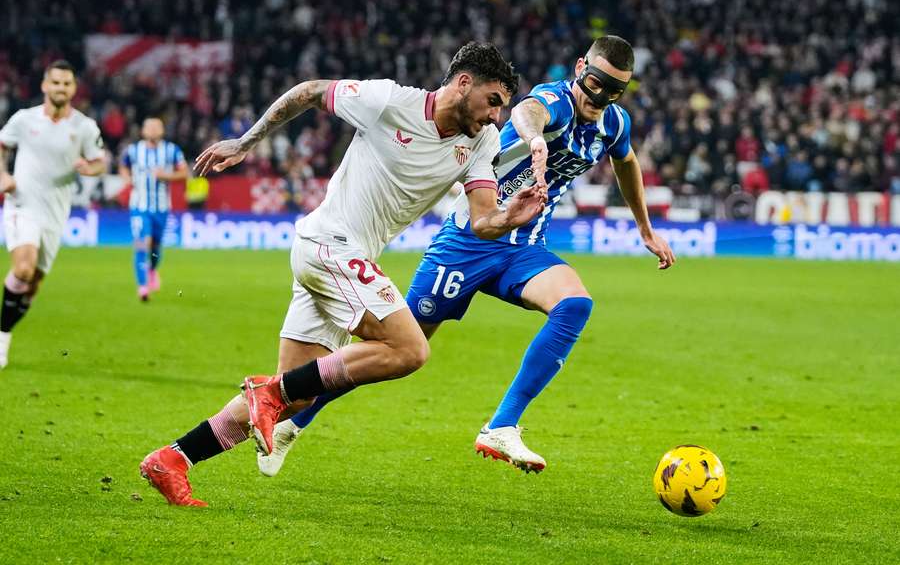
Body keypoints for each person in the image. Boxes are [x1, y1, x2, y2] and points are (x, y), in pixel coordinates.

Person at [139, 42, 546, 506]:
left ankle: (174, 458)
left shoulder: (482, 142)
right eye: (493, 101)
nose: (497, 116)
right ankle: (267, 393)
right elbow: (310, 91)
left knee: (297, 396)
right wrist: (245, 142)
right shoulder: (390, 101)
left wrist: (510, 217)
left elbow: (482, 220)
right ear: (464, 82)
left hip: (343, 258)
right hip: (329, 244)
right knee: (410, 349)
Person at [259, 36, 675, 476]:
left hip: (523, 246)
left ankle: (502, 425)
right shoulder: (555, 101)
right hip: (467, 243)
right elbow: (526, 112)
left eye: (614, 91)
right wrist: (534, 139)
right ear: (579, 69)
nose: (600, 97)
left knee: (574, 304)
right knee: (393, 350)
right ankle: (294, 422)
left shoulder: (613, 123)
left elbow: (626, 162)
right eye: (595, 83)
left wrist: (645, 229)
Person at [0, 60, 106, 369]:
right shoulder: (24, 119)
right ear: (45, 85)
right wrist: (3, 176)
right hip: (23, 203)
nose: (60, 88)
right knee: (22, 269)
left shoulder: (84, 127)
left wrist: (91, 168)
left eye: (66, 83)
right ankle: (2, 336)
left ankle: (6, 327)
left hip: (55, 212)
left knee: (32, 285)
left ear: (73, 88)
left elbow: (100, 161)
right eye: (55, 82)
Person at [119, 118, 188, 301]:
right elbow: (123, 166)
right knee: (142, 243)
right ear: (143, 131)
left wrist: (165, 175)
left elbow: (184, 173)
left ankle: (152, 270)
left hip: (162, 207)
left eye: (156, 126)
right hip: (139, 207)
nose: (152, 130)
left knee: (155, 246)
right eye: (149, 126)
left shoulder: (172, 150)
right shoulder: (133, 150)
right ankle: (142, 287)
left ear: (162, 131)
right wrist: (127, 178)